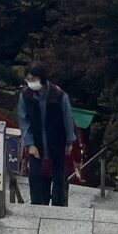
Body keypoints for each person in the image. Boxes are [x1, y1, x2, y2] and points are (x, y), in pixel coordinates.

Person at [17, 60, 78, 207]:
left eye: (34, 79)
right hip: (36, 140)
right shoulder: (25, 95)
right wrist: (29, 143)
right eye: (28, 79)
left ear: (42, 78)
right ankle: (38, 204)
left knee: (59, 174)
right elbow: (23, 120)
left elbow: (67, 118)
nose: (31, 83)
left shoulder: (59, 95)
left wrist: (69, 140)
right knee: (35, 175)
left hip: (56, 138)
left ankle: (59, 205)